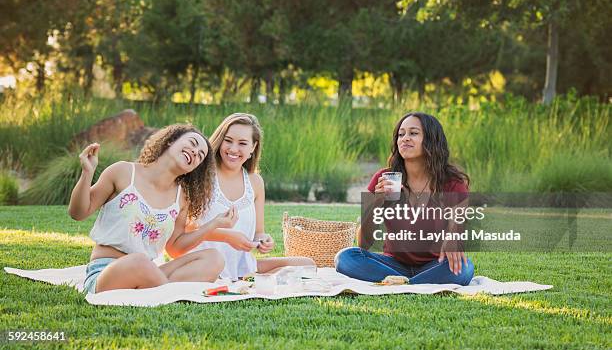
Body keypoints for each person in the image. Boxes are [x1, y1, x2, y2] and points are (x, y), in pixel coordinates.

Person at [69, 124, 238, 294]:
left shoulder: (181, 197)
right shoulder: (123, 172)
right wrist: (87, 173)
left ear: (194, 168)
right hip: (106, 273)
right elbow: (78, 213)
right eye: (192, 143)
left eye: (200, 156)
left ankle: (157, 290)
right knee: (139, 262)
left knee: (214, 259)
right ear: (171, 141)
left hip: (150, 272)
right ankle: (165, 293)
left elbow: (175, 248)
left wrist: (213, 224)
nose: (195, 152)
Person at [335, 112, 475, 285]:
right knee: (346, 257)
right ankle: (415, 283)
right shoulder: (384, 178)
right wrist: (377, 202)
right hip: (392, 264)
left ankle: (405, 283)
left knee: (465, 267)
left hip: (435, 264)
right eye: (401, 134)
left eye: (413, 133)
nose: (405, 138)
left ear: (431, 139)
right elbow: (363, 243)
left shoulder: (452, 183)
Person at [191, 113, 314, 280]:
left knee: (307, 264)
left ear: (253, 147)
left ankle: (250, 278)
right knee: (288, 275)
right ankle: (251, 279)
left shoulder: (255, 182)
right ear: (220, 140)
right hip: (205, 263)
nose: (233, 149)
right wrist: (227, 236)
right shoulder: (201, 175)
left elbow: (258, 233)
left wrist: (264, 240)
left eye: (242, 143)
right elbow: (186, 230)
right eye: (228, 140)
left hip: (242, 266)